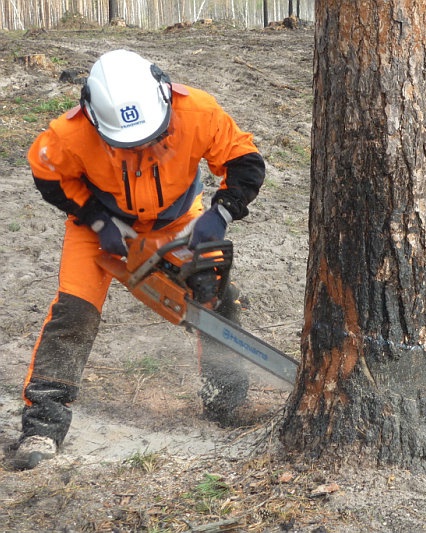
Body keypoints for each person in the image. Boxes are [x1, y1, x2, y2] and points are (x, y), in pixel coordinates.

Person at [11, 49, 265, 470]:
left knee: (215, 300)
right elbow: (49, 177)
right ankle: (43, 424)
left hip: (180, 220)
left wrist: (220, 213)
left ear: (165, 95)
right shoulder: (67, 134)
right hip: (104, 229)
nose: (141, 147)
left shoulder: (198, 111)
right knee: (74, 313)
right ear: (93, 117)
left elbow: (245, 161)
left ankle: (227, 405)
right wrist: (95, 220)